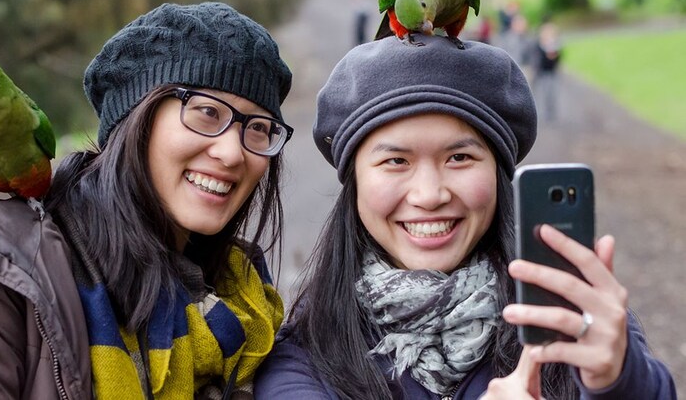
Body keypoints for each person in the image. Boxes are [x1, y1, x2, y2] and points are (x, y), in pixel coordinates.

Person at [0, 2, 294, 399]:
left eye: (258, 128)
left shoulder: (249, 293)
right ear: (136, 118)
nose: (232, 153)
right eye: (207, 112)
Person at [255, 35, 675, 399]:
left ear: (497, 173)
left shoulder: (579, 322)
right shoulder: (304, 359)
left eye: (459, 157)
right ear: (356, 184)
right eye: (396, 161)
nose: (430, 195)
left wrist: (620, 380)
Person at [532, 22, 563, 123]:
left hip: (552, 72)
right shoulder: (539, 44)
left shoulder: (555, 45)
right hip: (542, 72)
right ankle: (542, 113)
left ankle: (551, 112)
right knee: (542, 92)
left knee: (551, 92)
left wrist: (554, 57)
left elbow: (559, 58)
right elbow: (536, 58)